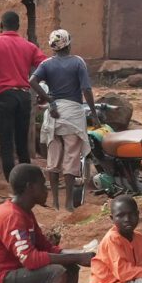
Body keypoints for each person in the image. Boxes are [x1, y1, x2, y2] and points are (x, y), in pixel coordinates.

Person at [30, 29, 94, 208]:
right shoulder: (77, 62)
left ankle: (56, 203)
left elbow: (32, 81)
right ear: (69, 43)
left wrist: (49, 99)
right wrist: (94, 114)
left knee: (54, 157)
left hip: (53, 114)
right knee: (71, 157)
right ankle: (68, 204)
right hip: (72, 113)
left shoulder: (46, 64)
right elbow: (86, 90)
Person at [0, 11, 46, 179]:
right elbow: (45, 66)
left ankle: (12, 182)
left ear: (1, 26)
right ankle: (28, 181)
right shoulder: (29, 46)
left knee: (6, 143)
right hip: (23, 97)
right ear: (18, 27)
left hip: (3, 97)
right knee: (22, 143)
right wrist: (42, 92)